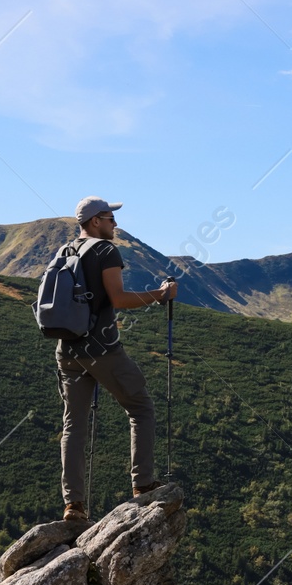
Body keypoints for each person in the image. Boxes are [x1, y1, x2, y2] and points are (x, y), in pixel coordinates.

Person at [56, 196, 178, 524]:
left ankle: (74, 506)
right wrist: (160, 294)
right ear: (95, 221)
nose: (115, 224)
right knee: (140, 407)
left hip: (68, 350)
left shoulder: (64, 252)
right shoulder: (106, 250)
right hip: (101, 348)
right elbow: (119, 299)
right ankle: (143, 485)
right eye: (110, 218)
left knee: (74, 425)